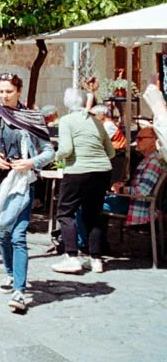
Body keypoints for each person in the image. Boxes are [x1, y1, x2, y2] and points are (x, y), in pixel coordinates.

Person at [0, 73, 54, 314]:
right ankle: (10, 273)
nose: (4, 96)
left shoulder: (33, 118)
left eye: (9, 92)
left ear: (19, 91)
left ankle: (19, 291)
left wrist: (31, 162)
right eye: (1, 92)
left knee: (18, 234)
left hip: (23, 181)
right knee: (4, 231)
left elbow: (49, 151)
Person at [51, 88, 115, 275]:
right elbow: (111, 152)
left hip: (78, 170)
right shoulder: (97, 122)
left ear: (67, 103)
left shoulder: (66, 120)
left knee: (65, 213)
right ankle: (96, 259)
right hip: (102, 171)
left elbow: (66, 149)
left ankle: (71, 257)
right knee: (93, 214)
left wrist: (55, 156)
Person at [103, 126, 166, 226]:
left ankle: (88, 236)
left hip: (138, 206)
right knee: (94, 201)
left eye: (140, 139)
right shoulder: (150, 159)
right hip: (135, 202)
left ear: (153, 141)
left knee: (86, 204)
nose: (136, 141)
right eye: (136, 138)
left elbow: (142, 191)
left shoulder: (153, 162)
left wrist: (121, 189)